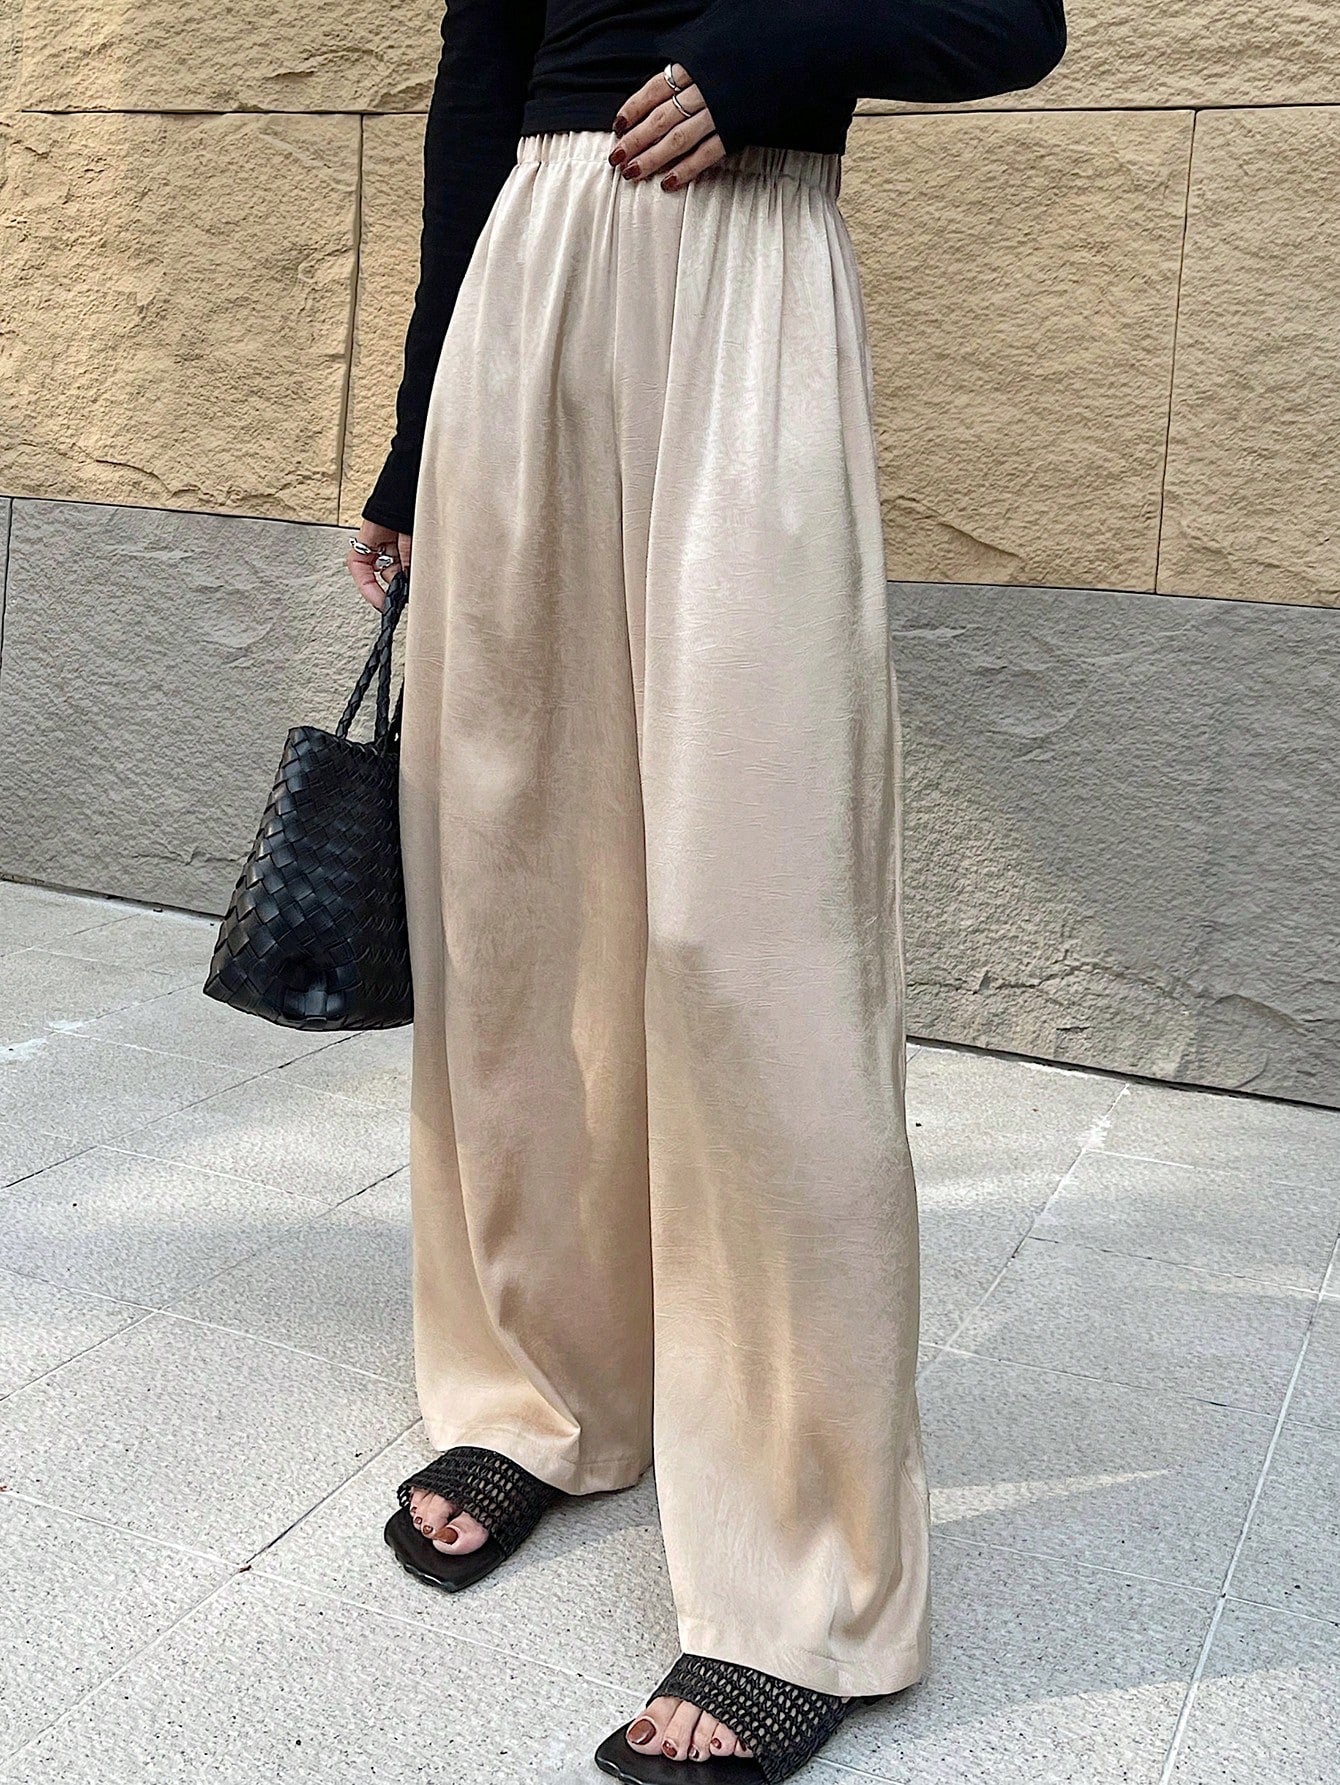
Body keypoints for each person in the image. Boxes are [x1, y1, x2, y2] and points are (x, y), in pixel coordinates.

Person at [347, 2, 1066, 1777]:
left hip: (747, 277)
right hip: (523, 283)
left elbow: (1014, 18)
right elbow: (479, 85)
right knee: (511, 889)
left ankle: (805, 1572)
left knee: (752, 924)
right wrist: (414, 440)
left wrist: (774, 57)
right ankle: (550, 1385)